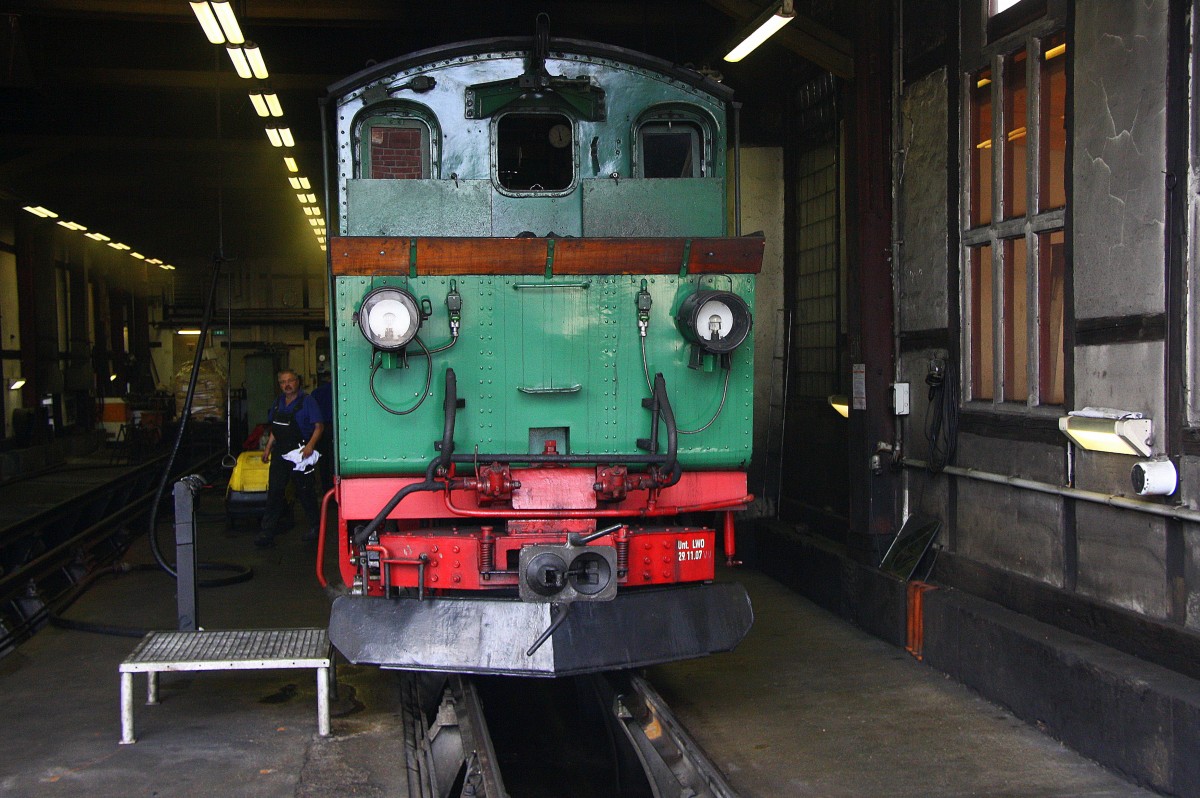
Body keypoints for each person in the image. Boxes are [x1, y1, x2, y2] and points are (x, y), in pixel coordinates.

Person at [257, 369, 324, 547]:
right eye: (282, 382)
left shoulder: (307, 401)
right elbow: (275, 429)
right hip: (280, 453)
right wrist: (268, 449)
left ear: (298, 382)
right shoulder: (278, 403)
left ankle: (316, 528)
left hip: (301, 452)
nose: (286, 385)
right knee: (275, 492)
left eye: (290, 381)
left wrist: (310, 446)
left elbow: (319, 426)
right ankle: (267, 532)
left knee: (306, 492)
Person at [310, 375, 335, 494]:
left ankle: (327, 492)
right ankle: (335, 491)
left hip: (320, 429)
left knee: (323, 463)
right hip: (336, 429)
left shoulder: (316, 393)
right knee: (335, 461)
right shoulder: (338, 389)